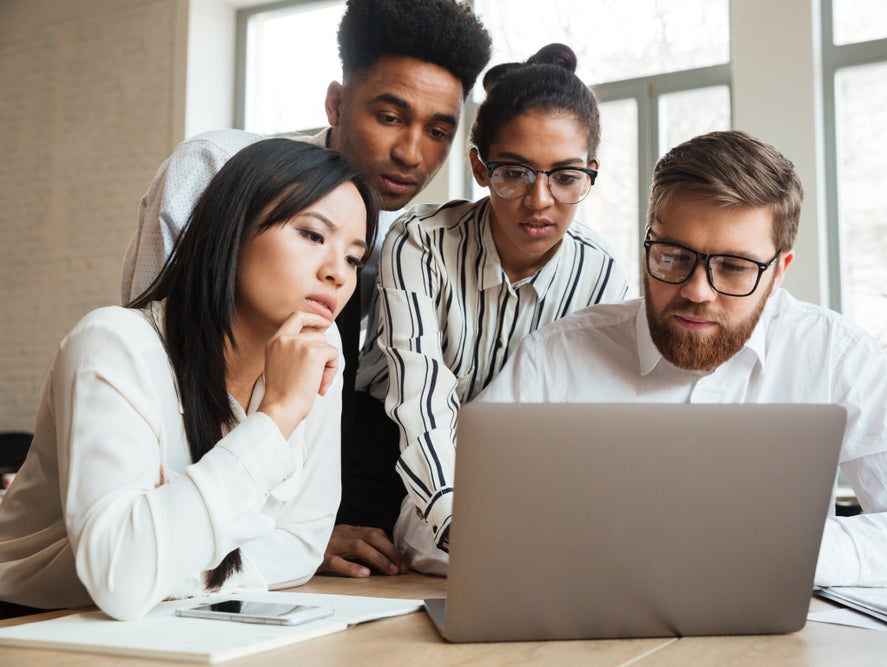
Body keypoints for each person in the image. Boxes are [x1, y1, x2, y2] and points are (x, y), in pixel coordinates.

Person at [475, 129, 887, 586]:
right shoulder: (555, 357)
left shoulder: (834, 355)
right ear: (648, 241)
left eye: (734, 268)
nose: (697, 291)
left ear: (780, 271)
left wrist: (774, 553)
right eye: (672, 256)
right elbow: (436, 520)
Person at [118, 0, 492, 577]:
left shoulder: (416, 240)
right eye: (390, 117)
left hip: (335, 540)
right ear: (336, 103)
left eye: (438, 131)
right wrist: (285, 537)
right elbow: (156, 378)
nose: (412, 154)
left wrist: (311, 534)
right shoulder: (216, 170)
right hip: (188, 527)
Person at [0, 139, 379, 620]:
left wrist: (164, 557)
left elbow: (304, 543)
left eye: (353, 257)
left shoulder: (320, 352)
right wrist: (277, 416)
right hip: (28, 624)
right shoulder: (113, 344)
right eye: (311, 234)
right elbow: (121, 577)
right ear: (231, 230)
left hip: (173, 623)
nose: (337, 274)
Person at [354, 44, 630, 575]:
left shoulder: (600, 273)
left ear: (589, 174)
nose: (540, 200)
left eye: (566, 177)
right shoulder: (420, 242)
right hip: (384, 459)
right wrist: (468, 531)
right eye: (516, 172)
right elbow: (421, 399)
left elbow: (589, 421)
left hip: (512, 481)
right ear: (480, 166)